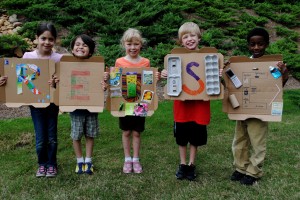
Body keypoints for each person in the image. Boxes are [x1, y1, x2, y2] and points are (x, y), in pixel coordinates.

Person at [160, 22, 222, 181]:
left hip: (200, 105)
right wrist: (165, 73)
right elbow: (168, 74)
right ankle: (182, 164)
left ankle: (191, 164)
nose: (189, 39)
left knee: (196, 136)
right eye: (185, 37)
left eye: (192, 35)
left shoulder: (208, 58)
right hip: (182, 106)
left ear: (199, 38)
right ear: (181, 41)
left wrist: (218, 72)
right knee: (181, 136)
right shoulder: (175, 57)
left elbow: (215, 77)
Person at [230, 27, 289, 185]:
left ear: (267, 44)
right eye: (252, 44)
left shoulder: (271, 66)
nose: (256, 47)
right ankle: (240, 168)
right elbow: (232, 83)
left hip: (260, 110)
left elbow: (279, 84)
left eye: (260, 44)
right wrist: (226, 72)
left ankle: (253, 171)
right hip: (242, 108)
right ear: (248, 45)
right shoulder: (242, 64)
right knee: (240, 139)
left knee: (257, 141)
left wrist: (283, 72)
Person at [22, 22, 63, 177]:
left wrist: (56, 83)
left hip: (53, 103)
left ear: (55, 40)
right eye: (43, 38)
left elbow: (63, 81)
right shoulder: (28, 56)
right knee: (40, 137)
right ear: (36, 38)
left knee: (51, 135)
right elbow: (21, 78)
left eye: (50, 39)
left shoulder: (59, 58)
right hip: (36, 104)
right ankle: (42, 164)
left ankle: (51, 164)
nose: (47, 42)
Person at [114, 28, 150, 174]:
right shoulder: (119, 62)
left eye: (136, 44)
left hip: (140, 104)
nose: (133, 47)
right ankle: (127, 158)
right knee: (126, 131)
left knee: (136, 132)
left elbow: (148, 83)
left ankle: (136, 158)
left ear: (141, 44)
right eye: (129, 44)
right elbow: (116, 82)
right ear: (124, 44)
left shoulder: (145, 62)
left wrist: (155, 78)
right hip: (124, 103)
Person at [69, 34, 106, 175]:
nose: (80, 47)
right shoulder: (67, 67)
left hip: (91, 108)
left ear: (90, 51)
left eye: (85, 45)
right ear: (72, 49)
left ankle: (88, 160)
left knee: (90, 134)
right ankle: (79, 161)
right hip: (75, 108)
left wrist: (103, 85)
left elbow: (102, 85)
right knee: (76, 135)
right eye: (77, 44)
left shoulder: (96, 67)